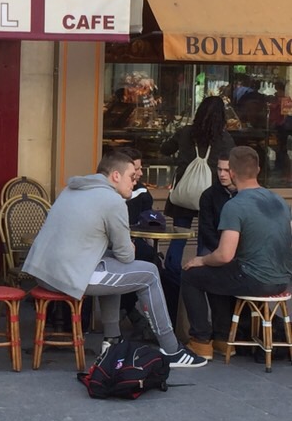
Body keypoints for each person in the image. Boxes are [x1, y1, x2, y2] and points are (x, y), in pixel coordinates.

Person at [22, 151, 207, 368]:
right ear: (116, 176)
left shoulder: (71, 189)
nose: (135, 182)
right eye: (132, 177)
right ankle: (171, 349)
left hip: (43, 272)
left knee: (112, 267)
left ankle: (113, 339)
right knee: (150, 273)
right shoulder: (112, 200)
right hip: (66, 277)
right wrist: (127, 247)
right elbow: (126, 255)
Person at [182, 146, 292, 360]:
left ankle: (201, 341)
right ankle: (223, 339)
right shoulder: (279, 201)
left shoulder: (235, 205)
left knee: (193, 275)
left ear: (231, 172)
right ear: (258, 169)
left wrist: (201, 259)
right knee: (214, 271)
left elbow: (224, 255)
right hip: (282, 281)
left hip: (255, 280)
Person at [160, 96, 235, 296]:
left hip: (185, 191)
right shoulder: (225, 138)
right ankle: (199, 281)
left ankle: (173, 280)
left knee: (179, 236)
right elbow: (232, 161)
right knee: (206, 238)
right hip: (211, 194)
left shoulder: (185, 133)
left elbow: (165, 149)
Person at [118, 147, 159, 340]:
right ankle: (130, 312)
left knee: (152, 260)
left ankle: (152, 320)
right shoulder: (108, 193)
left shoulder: (142, 191)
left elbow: (147, 223)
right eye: (136, 169)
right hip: (113, 245)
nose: (141, 173)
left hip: (134, 242)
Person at [197, 153, 236, 256]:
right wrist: (222, 249)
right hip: (214, 246)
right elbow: (206, 228)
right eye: (219, 169)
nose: (222, 174)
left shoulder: (246, 193)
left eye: (227, 170)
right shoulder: (208, 195)